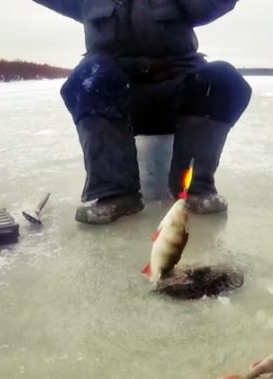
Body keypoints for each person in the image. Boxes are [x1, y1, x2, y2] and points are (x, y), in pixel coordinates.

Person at [33, 0, 252, 224]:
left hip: (178, 94)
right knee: (88, 78)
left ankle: (193, 188)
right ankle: (115, 193)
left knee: (223, 79)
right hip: (117, 100)